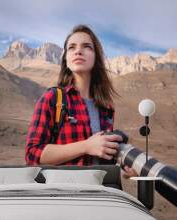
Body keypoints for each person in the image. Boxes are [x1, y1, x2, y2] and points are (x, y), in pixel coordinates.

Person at [25, 24, 137, 179]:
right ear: (65, 58)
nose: (78, 51)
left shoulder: (107, 107)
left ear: (96, 56)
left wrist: (119, 169)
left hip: (101, 196)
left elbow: (99, 158)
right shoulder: (53, 99)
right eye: (71, 47)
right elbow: (32, 155)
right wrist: (86, 146)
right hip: (65, 197)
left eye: (87, 47)